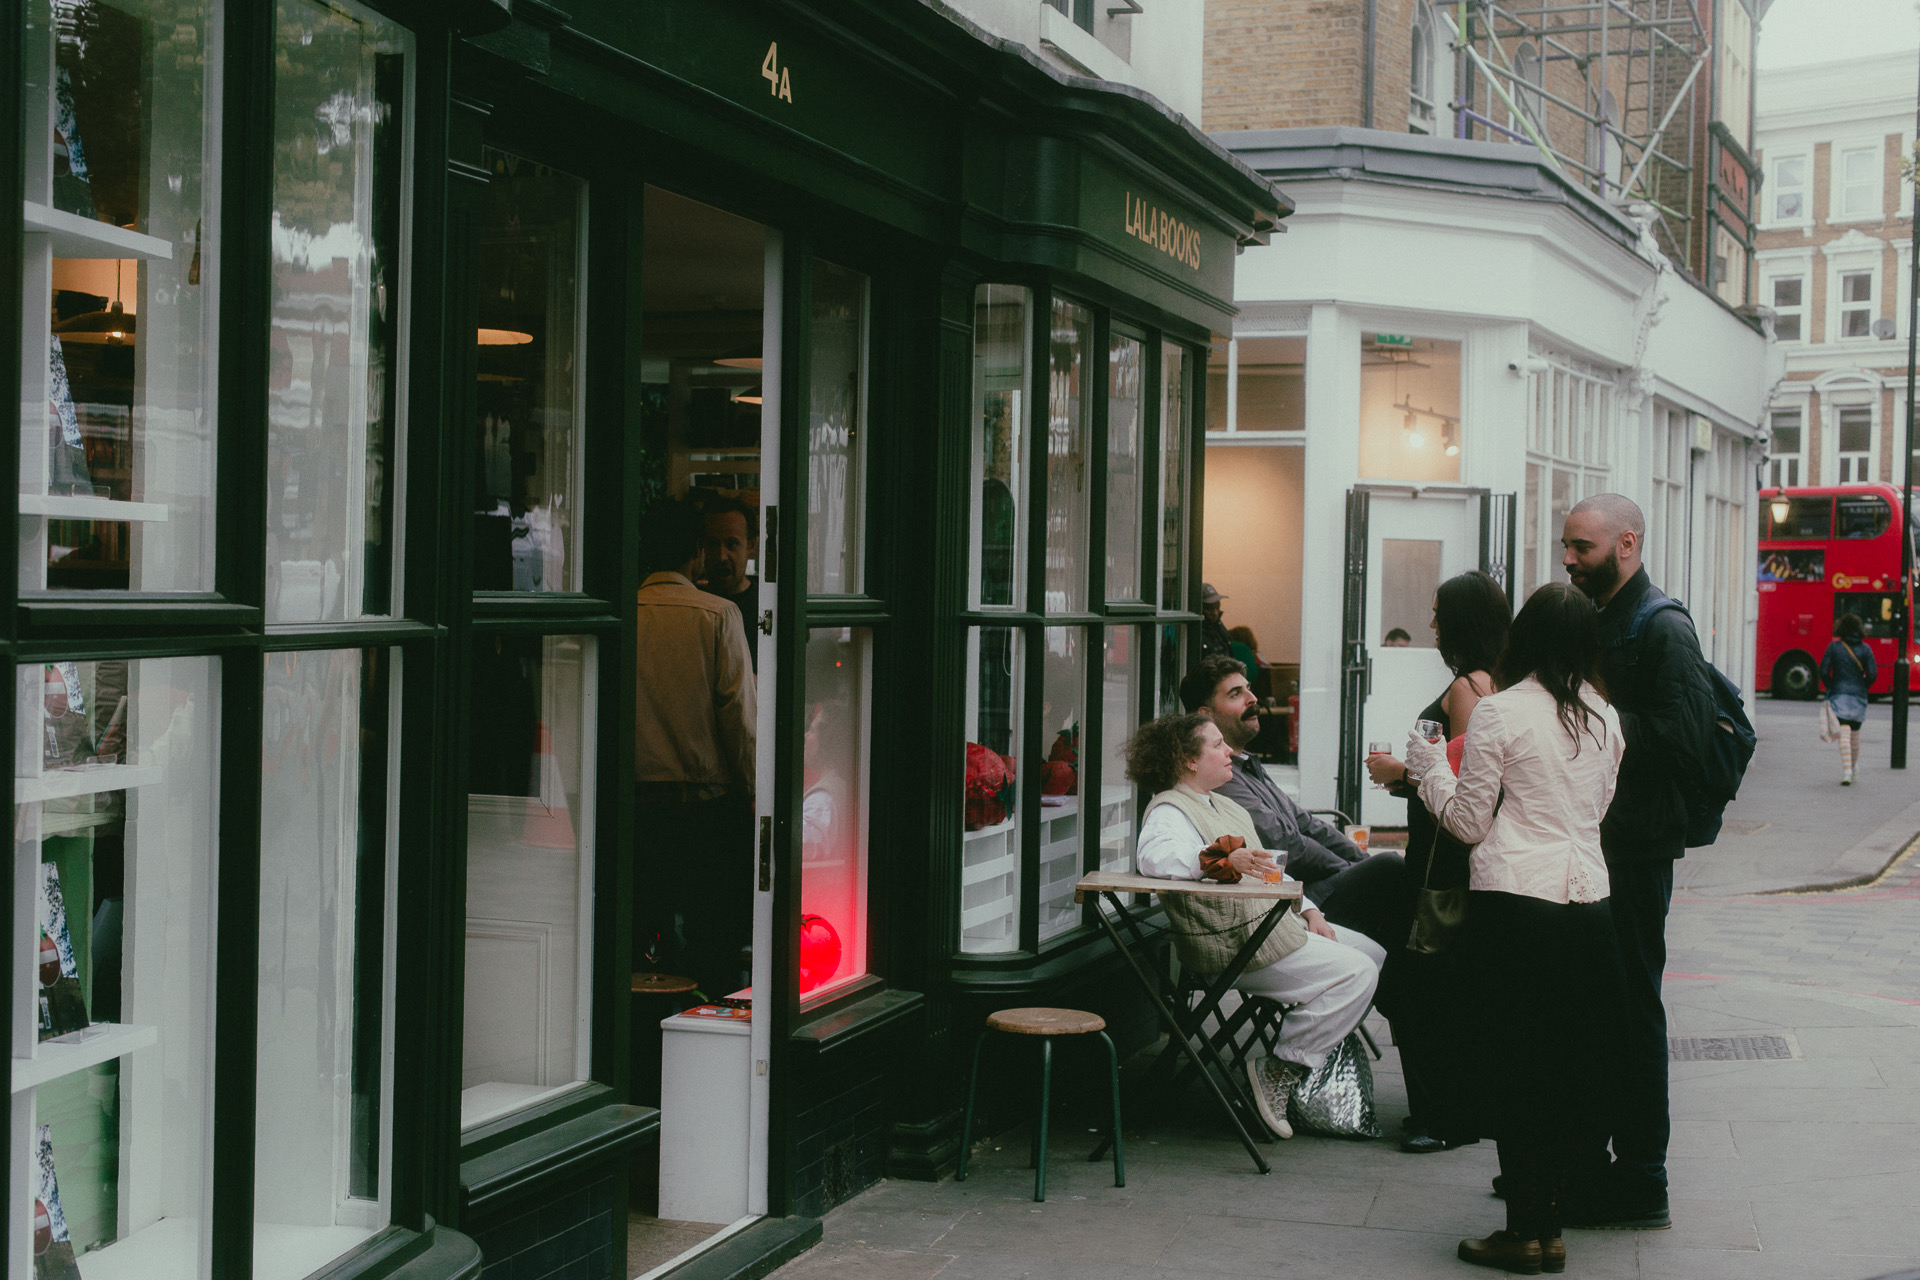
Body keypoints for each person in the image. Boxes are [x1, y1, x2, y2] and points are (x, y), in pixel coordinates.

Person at [1402, 582, 1626, 1275]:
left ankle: (1522, 1234)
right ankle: (1548, 1226)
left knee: (1515, 1065)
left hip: (1514, 907)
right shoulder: (1605, 716)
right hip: (1590, 905)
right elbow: (1601, 807)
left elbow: (1469, 823)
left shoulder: (1500, 712)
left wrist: (1428, 770)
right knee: (1566, 1068)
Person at [1559, 492, 1713, 1229]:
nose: (1568, 559)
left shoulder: (1664, 627)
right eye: (1566, 545)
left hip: (1638, 848)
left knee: (1632, 1008)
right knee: (1595, 1007)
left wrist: (1588, 721)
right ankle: (1586, 1161)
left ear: (1626, 544)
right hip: (1597, 842)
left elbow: (1682, 741)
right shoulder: (1600, 618)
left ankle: (1643, 1177)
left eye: (1581, 547)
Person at [1127, 713, 1386, 1140]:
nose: (1228, 751)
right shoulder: (1169, 809)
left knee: (1373, 953)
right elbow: (1155, 858)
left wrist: (1310, 910)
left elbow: (1269, 869)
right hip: (1229, 944)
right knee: (1357, 974)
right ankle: (1279, 1070)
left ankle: (1308, 1060)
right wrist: (1218, 861)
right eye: (1216, 745)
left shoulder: (1224, 804)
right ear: (1188, 761)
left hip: (1267, 929)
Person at [1364, 569, 1510, 1154]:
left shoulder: (1466, 690)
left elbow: (1469, 776)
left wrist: (1401, 773)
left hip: (1441, 858)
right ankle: (1450, 1107)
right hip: (1457, 851)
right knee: (1439, 982)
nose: (1431, 624)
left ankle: (1442, 1114)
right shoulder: (1498, 681)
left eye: (1438, 614)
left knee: (1417, 981)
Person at [1183, 656, 1408, 951]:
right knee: (1392, 870)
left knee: (1390, 881)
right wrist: (1348, 870)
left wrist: (1360, 863)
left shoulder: (1246, 764)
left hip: (1313, 892)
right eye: (1236, 694)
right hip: (1289, 903)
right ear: (1206, 715)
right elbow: (1284, 842)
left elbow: (1306, 823)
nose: (1253, 699)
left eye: (1249, 689)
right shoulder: (1220, 777)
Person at [635, 497, 757, 1000]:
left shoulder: (623, 613)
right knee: (714, 947)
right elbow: (740, 723)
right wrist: (756, 796)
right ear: (696, 554)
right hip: (707, 815)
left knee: (642, 944)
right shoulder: (719, 615)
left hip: (635, 811)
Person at [699, 496, 761, 672]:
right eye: (712, 544)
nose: (721, 556)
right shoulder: (693, 607)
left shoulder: (766, 607)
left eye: (731, 544)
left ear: (751, 546)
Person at [1820, 612, 1877, 785]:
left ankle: (1847, 771)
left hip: (1839, 694)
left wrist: (1832, 685)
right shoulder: (1866, 649)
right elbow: (1873, 673)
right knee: (1855, 734)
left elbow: (1823, 671)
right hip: (1859, 694)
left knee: (1844, 732)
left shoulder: (1834, 647)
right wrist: (1863, 686)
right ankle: (1853, 767)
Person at [1198, 583, 1235, 659]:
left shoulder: (1218, 626)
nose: (1215, 613)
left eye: (1217, 607)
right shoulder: (1195, 632)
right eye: (1209, 608)